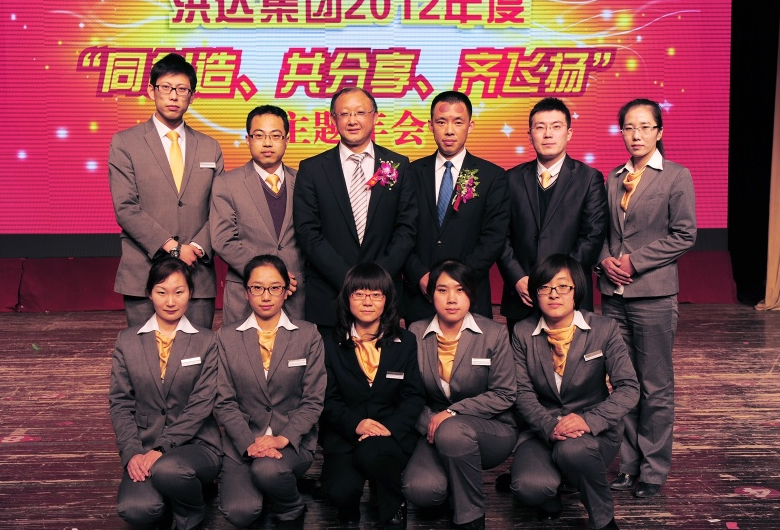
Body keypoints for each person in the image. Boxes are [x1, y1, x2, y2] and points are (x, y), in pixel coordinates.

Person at [596, 98, 696, 498]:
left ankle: (653, 470)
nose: (636, 135)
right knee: (624, 383)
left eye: (644, 127)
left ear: (659, 131)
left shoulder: (676, 175)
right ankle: (628, 464)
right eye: (629, 128)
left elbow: (684, 234)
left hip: (653, 294)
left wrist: (634, 262)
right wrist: (605, 261)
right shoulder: (613, 177)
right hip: (613, 296)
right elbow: (604, 233)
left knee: (655, 386)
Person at [510, 254, 639, 530]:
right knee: (528, 487)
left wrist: (588, 420)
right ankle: (552, 491)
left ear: (576, 289)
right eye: (544, 287)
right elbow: (521, 392)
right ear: (535, 293)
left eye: (562, 286)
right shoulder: (522, 332)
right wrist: (548, 426)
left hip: (592, 433)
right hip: (541, 430)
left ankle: (603, 519)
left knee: (572, 451)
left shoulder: (603, 329)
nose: (553, 294)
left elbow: (629, 388)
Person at [109, 52, 224, 329]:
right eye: (166, 88)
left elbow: (221, 209)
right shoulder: (125, 143)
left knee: (197, 350)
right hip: (144, 273)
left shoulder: (210, 146)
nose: (174, 96)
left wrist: (196, 248)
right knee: (146, 352)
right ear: (151, 91)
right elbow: (125, 207)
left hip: (197, 273)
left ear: (192, 96)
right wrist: (173, 248)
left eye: (182, 89)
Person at [109, 257, 223, 530]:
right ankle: (169, 496)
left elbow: (201, 405)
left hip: (197, 444)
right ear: (149, 294)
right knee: (135, 509)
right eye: (161, 292)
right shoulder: (127, 340)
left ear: (190, 293)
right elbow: (120, 404)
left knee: (169, 469)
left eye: (179, 292)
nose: (170, 301)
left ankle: (191, 512)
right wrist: (132, 453)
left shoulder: (207, 341)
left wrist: (162, 448)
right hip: (145, 447)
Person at [402, 260, 517, 530]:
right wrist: (430, 422)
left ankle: (471, 517)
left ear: (471, 294)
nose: (451, 299)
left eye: (460, 289)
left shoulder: (494, 333)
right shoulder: (415, 332)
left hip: (491, 429)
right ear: (430, 294)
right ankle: (451, 487)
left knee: (453, 431)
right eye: (442, 290)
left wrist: (452, 413)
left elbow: (504, 393)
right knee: (420, 489)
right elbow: (408, 393)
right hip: (433, 428)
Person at [214, 255, 326, 530]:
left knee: (268, 470)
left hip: (292, 441)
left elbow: (313, 400)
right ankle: (269, 489)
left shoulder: (308, 334)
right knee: (239, 512)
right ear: (246, 292)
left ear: (286, 291)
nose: (266, 296)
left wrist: (281, 438)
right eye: (257, 288)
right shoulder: (226, 337)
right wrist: (249, 442)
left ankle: (291, 508)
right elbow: (224, 401)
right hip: (243, 442)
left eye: (275, 287)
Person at [293, 87, 417, 332]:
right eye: (344, 113)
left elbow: (407, 229)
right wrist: (349, 281)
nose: (352, 120)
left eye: (360, 112)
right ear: (333, 119)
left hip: (383, 295)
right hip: (329, 294)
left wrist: (376, 282)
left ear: (375, 116)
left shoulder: (399, 165)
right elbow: (308, 232)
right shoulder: (312, 169)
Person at [319, 262, 425, 528]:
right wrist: (356, 424)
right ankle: (352, 503)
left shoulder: (406, 341)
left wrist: (389, 428)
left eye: (376, 294)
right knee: (339, 492)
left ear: (386, 299)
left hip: (390, 434)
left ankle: (393, 507)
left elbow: (413, 396)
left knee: (373, 453)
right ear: (347, 298)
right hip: (345, 434)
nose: (368, 302)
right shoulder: (328, 342)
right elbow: (327, 399)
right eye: (359, 294)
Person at [497, 97, 608, 331]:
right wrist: (517, 278)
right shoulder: (510, 178)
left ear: (569, 133)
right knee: (520, 356)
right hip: (522, 296)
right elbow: (500, 235)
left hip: (570, 295)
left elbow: (592, 236)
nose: (548, 134)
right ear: (530, 135)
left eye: (556, 126)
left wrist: (559, 283)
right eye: (540, 127)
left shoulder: (589, 178)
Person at [403, 91, 509, 324]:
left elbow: (494, 237)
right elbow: (400, 231)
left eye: (458, 122)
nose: (449, 130)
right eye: (441, 122)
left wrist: (457, 281)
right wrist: (420, 274)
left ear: (470, 126)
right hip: (420, 294)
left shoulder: (492, 176)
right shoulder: (411, 173)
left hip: (470, 293)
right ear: (430, 125)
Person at [211, 105, 305, 324]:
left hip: (296, 291)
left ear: (287, 139)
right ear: (248, 139)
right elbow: (223, 240)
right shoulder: (226, 183)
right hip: (246, 291)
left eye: (275, 135)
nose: (267, 143)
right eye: (259, 135)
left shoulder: (303, 181)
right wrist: (269, 275)